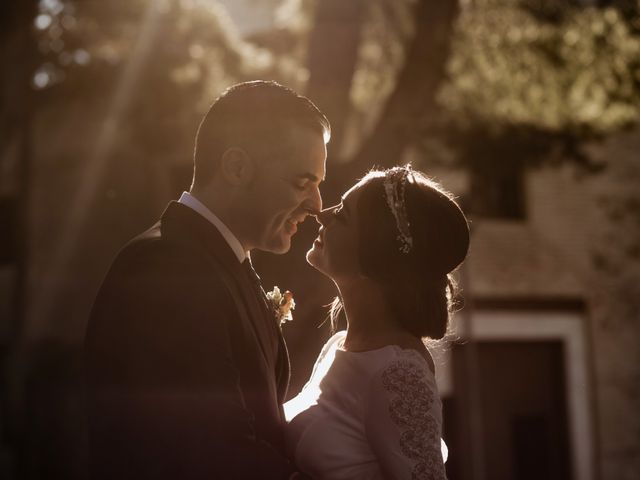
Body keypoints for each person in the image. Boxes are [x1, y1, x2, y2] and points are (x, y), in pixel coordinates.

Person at [84, 80, 330, 480]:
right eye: (303, 183)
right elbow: (206, 449)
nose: (317, 205)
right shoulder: (166, 266)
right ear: (236, 168)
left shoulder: (221, 263)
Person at [284, 165, 470, 480]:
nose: (322, 214)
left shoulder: (400, 373)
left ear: (375, 254)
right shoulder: (336, 346)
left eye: (342, 214)